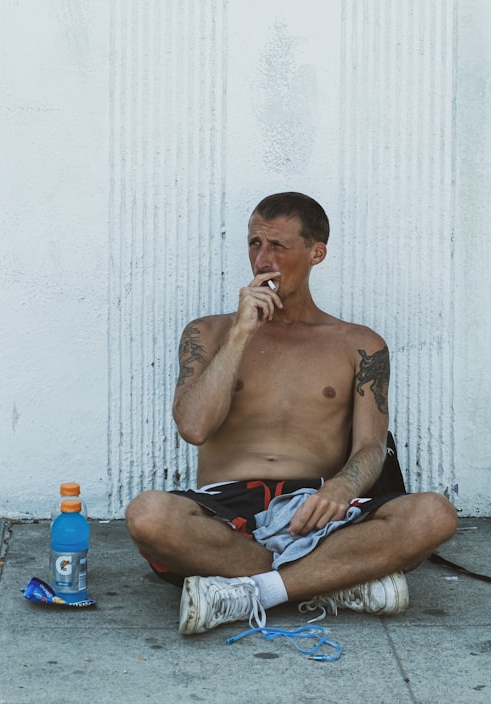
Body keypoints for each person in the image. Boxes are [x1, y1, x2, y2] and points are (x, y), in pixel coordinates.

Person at [125, 192, 458, 635]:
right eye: (253, 244)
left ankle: (252, 593)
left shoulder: (359, 344)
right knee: (148, 515)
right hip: (226, 511)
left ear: (316, 252)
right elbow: (194, 427)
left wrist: (341, 489)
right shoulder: (210, 332)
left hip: (316, 507)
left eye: (277, 246)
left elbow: (371, 447)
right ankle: (332, 581)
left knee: (434, 514)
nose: (262, 259)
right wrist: (242, 334)